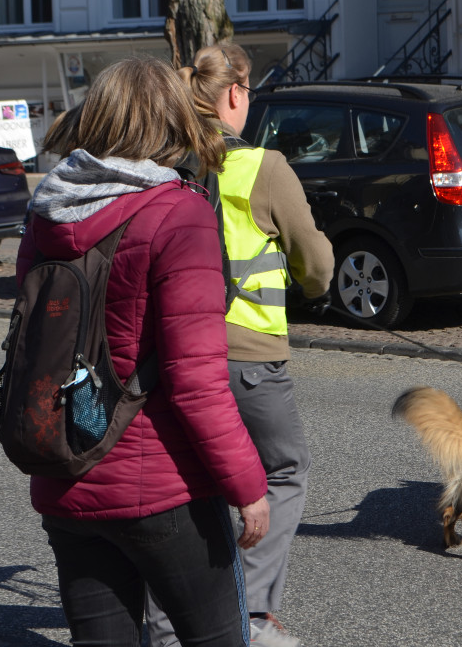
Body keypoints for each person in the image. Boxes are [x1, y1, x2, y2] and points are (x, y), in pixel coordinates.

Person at [22, 55, 270, 647]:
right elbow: (195, 380)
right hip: (161, 488)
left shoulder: (47, 213)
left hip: (66, 474)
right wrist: (249, 486)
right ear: (173, 120)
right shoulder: (177, 213)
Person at [145, 43, 334, 647]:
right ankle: (248, 614)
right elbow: (317, 264)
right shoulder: (264, 167)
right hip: (247, 356)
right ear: (235, 94)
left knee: (185, 481)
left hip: (173, 350)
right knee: (284, 469)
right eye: (248, 93)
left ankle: (163, 621)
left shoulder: (162, 160)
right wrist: (308, 283)